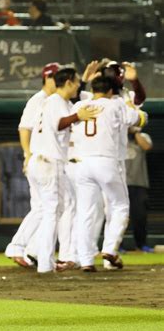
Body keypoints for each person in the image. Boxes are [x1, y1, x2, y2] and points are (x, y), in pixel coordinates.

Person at [27, 67, 100, 273]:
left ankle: (46, 259)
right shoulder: (57, 102)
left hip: (39, 161)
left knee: (57, 208)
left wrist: (76, 113)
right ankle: (44, 263)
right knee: (53, 212)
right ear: (68, 82)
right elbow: (60, 123)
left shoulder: (52, 101)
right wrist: (77, 116)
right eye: (76, 82)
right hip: (50, 162)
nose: (78, 86)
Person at [72, 75, 145, 271]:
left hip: (82, 163)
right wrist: (127, 100)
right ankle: (110, 249)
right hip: (106, 161)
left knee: (85, 213)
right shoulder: (116, 104)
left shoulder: (79, 106)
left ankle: (86, 260)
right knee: (120, 206)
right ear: (112, 91)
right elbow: (137, 118)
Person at [4, 62, 59, 267]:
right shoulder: (38, 100)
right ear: (46, 78)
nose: (57, 80)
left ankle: (30, 250)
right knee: (43, 208)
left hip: (42, 160)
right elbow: (24, 128)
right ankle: (19, 247)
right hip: (39, 160)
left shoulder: (54, 100)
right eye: (54, 77)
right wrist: (27, 154)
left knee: (42, 209)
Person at [126, 127, 153, 252]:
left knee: (140, 216)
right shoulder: (118, 136)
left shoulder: (143, 136)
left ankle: (141, 245)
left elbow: (146, 146)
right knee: (120, 216)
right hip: (121, 183)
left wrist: (135, 132)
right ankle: (116, 246)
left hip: (139, 183)